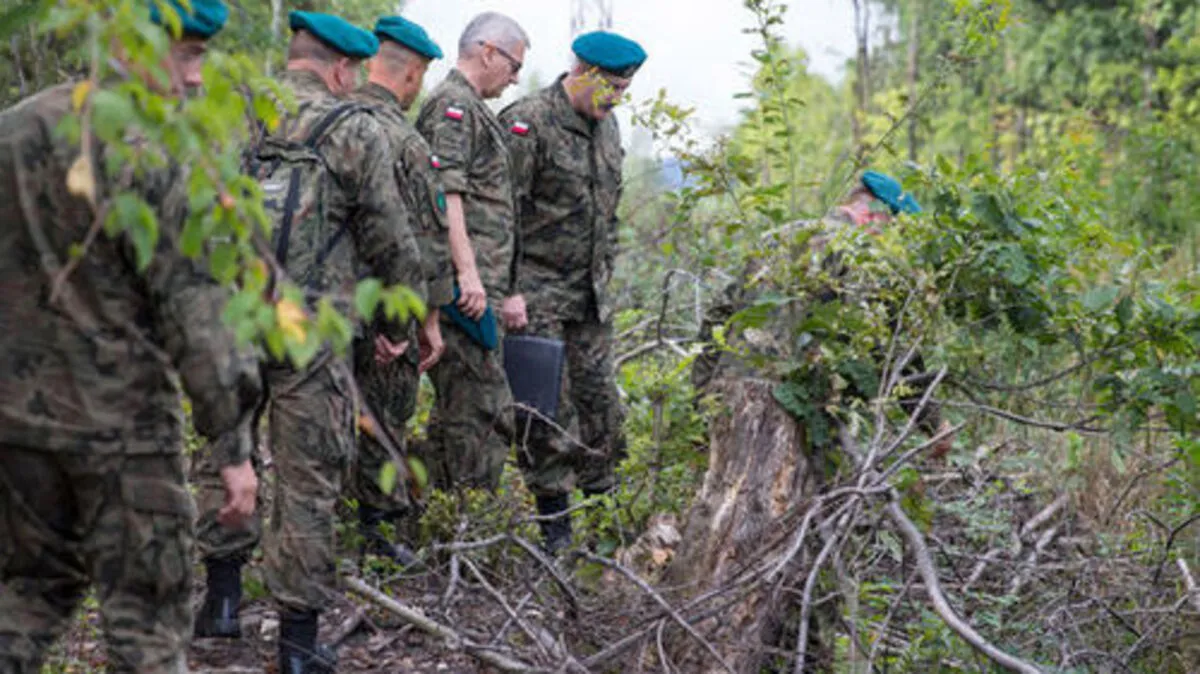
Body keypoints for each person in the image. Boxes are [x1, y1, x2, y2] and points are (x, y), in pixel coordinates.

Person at [0, 1, 262, 672]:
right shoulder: (157, 148)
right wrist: (232, 447)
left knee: (24, 595)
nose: (197, 78)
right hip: (124, 433)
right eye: (188, 55)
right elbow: (197, 310)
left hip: (18, 424)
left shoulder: (14, 129)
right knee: (146, 621)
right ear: (136, 47)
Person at [191, 12, 426, 674]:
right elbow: (390, 238)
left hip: (232, 315)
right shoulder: (355, 128)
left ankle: (223, 605)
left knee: (223, 456)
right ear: (343, 69)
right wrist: (395, 327)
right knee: (308, 476)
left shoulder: (232, 108)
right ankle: (296, 646)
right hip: (315, 330)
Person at [499, 30, 647, 553]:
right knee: (546, 418)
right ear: (581, 72)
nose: (615, 101)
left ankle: (609, 538)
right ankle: (555, 537)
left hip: (589, 299)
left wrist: (606, 274)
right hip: (534, 295)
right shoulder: (528, 122)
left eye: (623, 92)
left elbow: (608, 215)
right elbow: (500, 214)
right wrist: (508, 289)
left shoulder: (609, 129)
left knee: (602, 409)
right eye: (609, 89)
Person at [691, 171, 951, 461]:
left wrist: (702, 402)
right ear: (873, 214)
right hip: (789, 415)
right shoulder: (862, 255)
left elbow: (718, 316)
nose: (889, 236)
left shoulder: (778, 236)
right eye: (891, 225)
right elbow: (890, 349)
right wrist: (933, 422)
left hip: (730, 400)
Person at [348, 15, 454, 564]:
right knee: (386, 414)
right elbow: (423, 241)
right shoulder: (403, 139)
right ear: (411, 75)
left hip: (325, 302)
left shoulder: (332, 120)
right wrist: (424, 320)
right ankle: (376, 530)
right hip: (386, 303)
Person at [413, 12, 527, 493]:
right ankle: (463, 518)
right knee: (484, 410)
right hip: (464, 293)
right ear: (488, 52)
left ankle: (431, 516)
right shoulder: (452, 107)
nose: (516, 77)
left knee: (463, 410)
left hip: (478, 289)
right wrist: (468, 274)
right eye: (514, 64)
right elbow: (447, 193)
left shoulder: (474, 109)